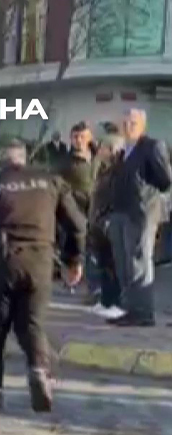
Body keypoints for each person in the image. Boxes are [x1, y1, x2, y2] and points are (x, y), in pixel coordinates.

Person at [0, 138, 88, 413]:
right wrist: (73, 260)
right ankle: (38, 372)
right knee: (32, 323)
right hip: (40, 261)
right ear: (23, 159)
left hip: (1, 261)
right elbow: (78, 225)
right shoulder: (50, 181)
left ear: (2, 160)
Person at [107, 107, 172, 327]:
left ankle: (144, 313)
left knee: (139, 262)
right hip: (120, 212)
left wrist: (145, 193)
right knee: (125, 263)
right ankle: (130, 308)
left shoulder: (152, 146)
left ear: (143, 125)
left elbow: (165, 180)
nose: (128, 127)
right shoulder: (124, 149)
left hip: (141, 212)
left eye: (133, 123)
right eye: (125, 123)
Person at [55, 122, 103, 313]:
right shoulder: (65, 162)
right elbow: (57, 183)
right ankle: (75, 279)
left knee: (96, 247)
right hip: (74, 209)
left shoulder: (98, 157)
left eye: (82, 137)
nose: (78, 141)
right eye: (75, 137)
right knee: (78, 245)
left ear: (89, 137)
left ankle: (94, 287)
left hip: (96, 207)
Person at [88, 132, 127, 318]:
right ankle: (105, 299)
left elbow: (117, 197)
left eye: (103, 147)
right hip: (99, 221)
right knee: (103, 263)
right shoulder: (106, 169)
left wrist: (107, 218)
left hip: (109, 220)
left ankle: (117, 301)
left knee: (113, 264)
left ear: (112, 150)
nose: (99, 150)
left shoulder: (120, 171)